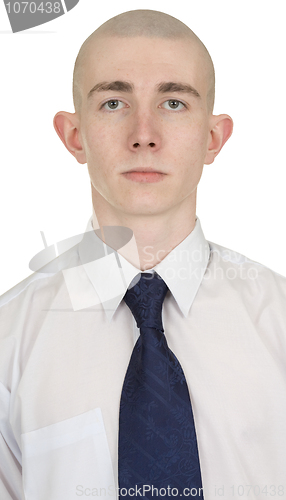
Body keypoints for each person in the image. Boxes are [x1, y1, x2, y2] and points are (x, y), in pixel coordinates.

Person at [0, 8, 286, 500]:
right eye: (113, 103)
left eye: (174, 103)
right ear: (74, 136)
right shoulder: (9, 339)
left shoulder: (279, 321)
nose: (144, 134)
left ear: (213, 138)